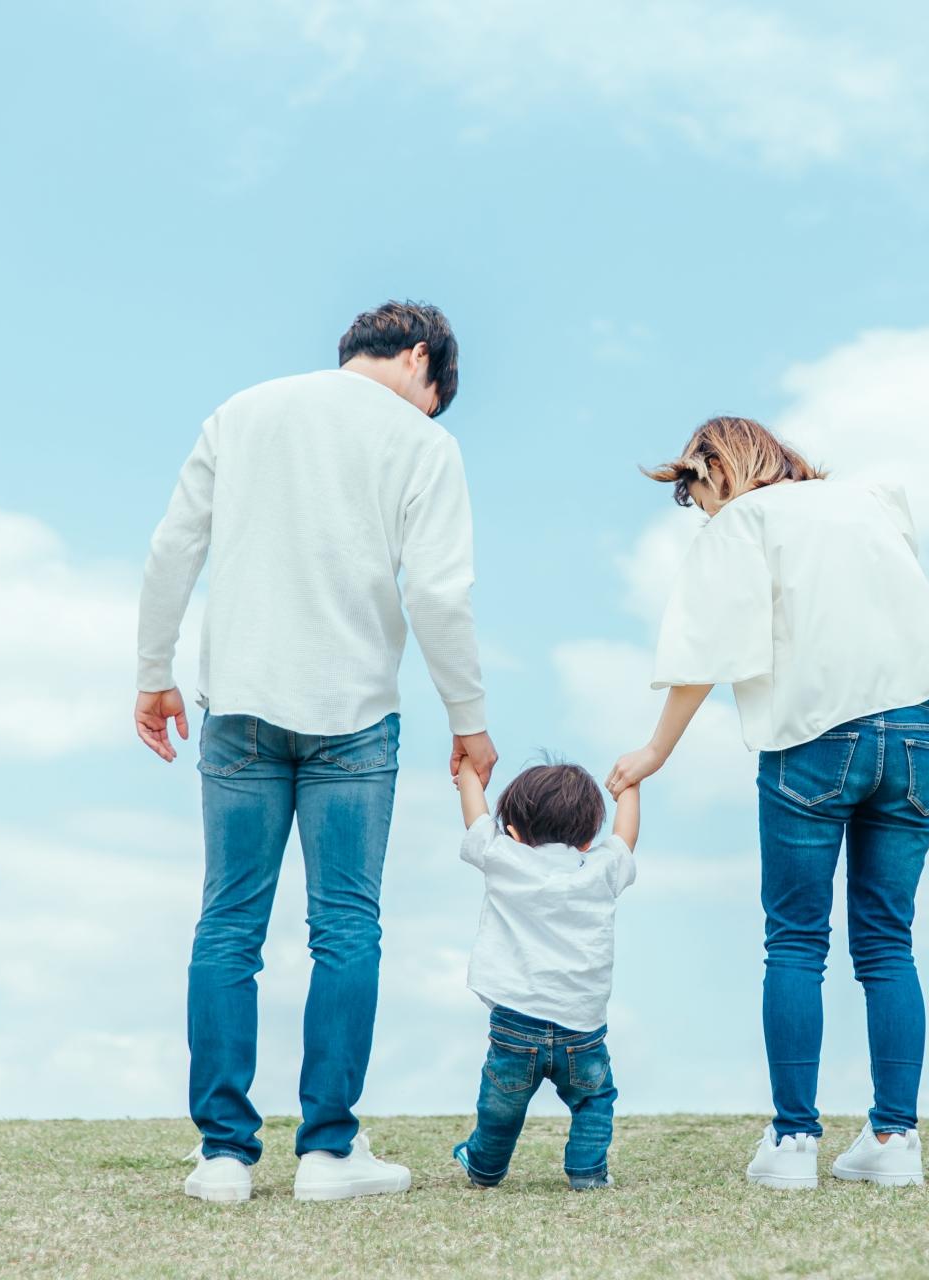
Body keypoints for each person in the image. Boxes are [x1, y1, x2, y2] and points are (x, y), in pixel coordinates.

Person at [134, 300, 499, 1203]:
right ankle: (329, 1154)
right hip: (355, 715)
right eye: (436, 396)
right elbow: (439, 596)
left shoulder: (243, 411)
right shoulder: (424, 445)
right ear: (421, 359)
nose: (430, 412)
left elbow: (173, 548)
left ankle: (224, 1156)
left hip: (240, 706)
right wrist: (469, 718)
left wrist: (153, 672)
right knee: (346, 928)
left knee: (229, 925)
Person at [607, 417, 929, 1190]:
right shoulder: (870, 501)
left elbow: (706, 651)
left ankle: (794, 1143)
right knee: (888, 943)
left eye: (694, 494)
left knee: (797, 942)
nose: (700, 510)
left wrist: (654, 752)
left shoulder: (744, 520)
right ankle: (895, 1140)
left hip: (816, 736)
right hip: (915, 733)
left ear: (716, 466)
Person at [450, 759, 638, 1190]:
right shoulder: (602, 868)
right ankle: (587, 1173)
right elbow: (626, 838)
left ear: (513, 831)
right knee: (593, 1100)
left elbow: (475, 818)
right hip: (583, 1026)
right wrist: (631, 785)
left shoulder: (503, 857)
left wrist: (470, 771)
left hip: (515, 1021)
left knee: (501, 1106)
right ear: (588, 839)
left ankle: (485, 1167)